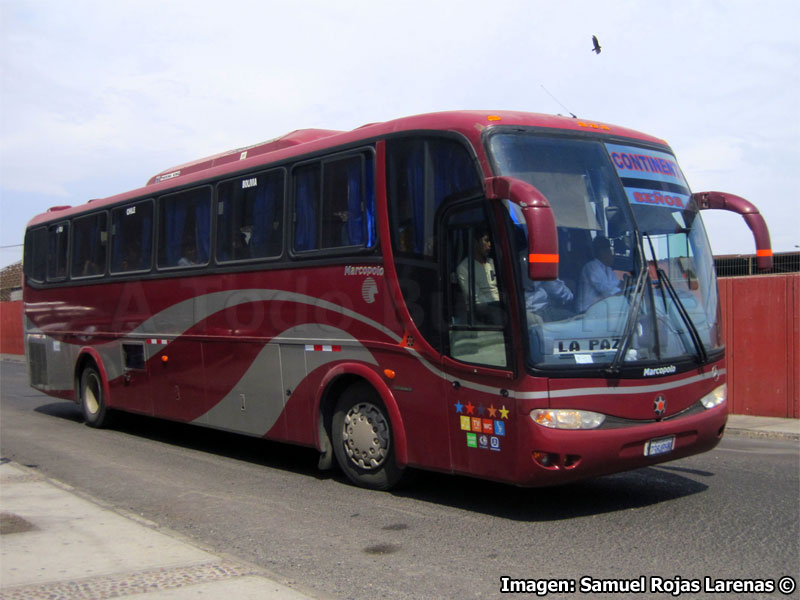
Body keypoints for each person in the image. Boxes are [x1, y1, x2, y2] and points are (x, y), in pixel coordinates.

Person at [457, 228, 503, 324]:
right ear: (475, 242)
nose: (490, 245)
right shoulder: (464, 268)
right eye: (486, 240)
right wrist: (499, 306)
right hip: (480, 309)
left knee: (535, 319)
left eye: (490, 241)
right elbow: (476, 298)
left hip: (500, 306)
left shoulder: (493, 263)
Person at [519, 251, 574, 322]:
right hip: (540, 311)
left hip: (525, 312)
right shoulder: (536, 256)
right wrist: (570, 297)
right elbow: (555, 289)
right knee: (577, 320)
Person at [577, 235, 622, 311]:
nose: (612, 255)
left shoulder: (608, 269)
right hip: (587, 311)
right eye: (610, 251)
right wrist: (620, 290)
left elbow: (617, 284)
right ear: (602, 252)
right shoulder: (591, 267)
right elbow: (605, 290)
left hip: (601, 309)